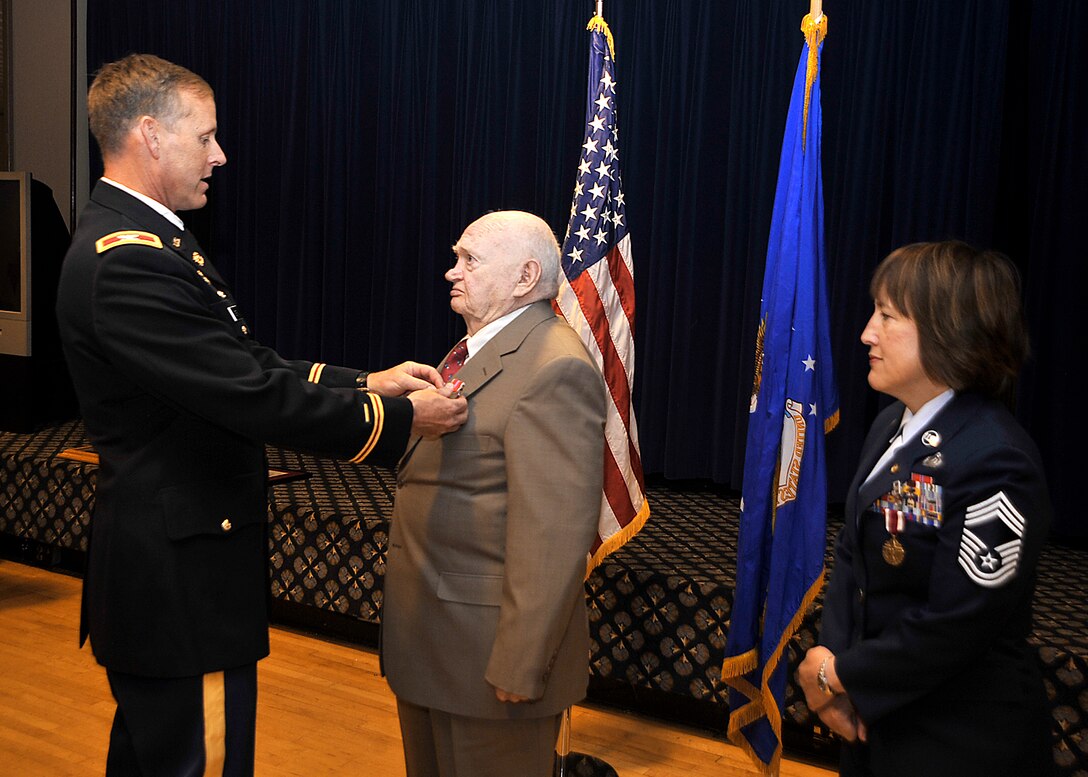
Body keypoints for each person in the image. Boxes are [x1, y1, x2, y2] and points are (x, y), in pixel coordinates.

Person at [55, 53, 467, 776]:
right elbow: (250, 395)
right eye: (206, 136)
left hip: (178, 568)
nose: (221, 154)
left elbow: (243, 363)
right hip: (183, 586)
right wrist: (400, 422)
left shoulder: (151, 240)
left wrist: (365, 380)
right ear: (150, 135)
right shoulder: (129, 259)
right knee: (201, 761)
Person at [798, 241, 1053, 776]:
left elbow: (958, 621)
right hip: (873, 719)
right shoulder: (893, 423)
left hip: (955, 738)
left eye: (887, 316)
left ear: (947, 332)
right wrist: (830, 667)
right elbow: (852, 559)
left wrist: (839, 674)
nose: (867, 332)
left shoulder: (995, 460)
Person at [381, 210, 606, 777]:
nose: (451, 272)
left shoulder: (554, 368)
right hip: (433, 650)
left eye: (469, 260)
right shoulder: (477, 352)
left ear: (525, 276)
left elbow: (552, 537)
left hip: (490, 668)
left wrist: (521, 662)